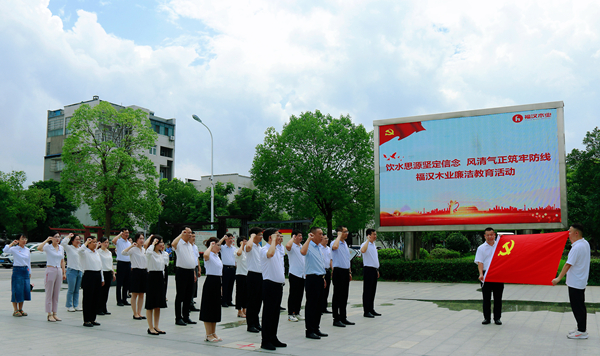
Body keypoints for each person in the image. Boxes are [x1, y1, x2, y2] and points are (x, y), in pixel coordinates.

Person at [552, 224, 591, 339]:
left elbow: (568, 264)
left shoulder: (577, 247)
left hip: (575, 282)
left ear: (576, 233)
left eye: (570, 231)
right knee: (580, 306)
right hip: (580, 280)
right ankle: (581, 327)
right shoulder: (585, 243)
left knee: (577, 307)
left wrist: (558, 278)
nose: (568, 234)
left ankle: (581, 331)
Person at [260, 228, 287, 350]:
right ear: (270, 237)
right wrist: (273, 241)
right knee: (268, 314)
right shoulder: (264, 249)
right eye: (277, 235)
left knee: (275, 313)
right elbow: (270, 255)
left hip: (278, 285)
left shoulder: (277, 249)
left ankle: (273, 337)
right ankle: (265, 340)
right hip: (269, 284)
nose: (279, 237)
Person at [301, 227, 328, 339]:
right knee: (311, 305)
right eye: (320, 234)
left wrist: (323, 278)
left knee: (319, 305)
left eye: (322, 234)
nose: (322, 236)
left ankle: (316, 328)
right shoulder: (309, 245)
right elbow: (302, 252)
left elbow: (319, 263)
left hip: (320, 278)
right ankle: (310, 330)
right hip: (312, 278)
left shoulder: (318, 247)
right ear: (313, 235)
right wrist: (308, 239)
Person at [475, 227, 502, 325]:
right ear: (484, 236)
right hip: (486, 275)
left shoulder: (500, 246)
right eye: (488, 235)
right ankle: (487, 318)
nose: (490, 237)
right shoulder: (481, 248)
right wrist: (481, 274)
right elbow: (480, 262)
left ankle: (497, 318)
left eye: (491, 234)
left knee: (498, 298)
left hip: (498, 275)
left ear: (494, 235)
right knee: (486, 298)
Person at [172, 227, 198, 326]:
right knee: (180, 295)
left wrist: (194, 273)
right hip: (182, 272)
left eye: (191, 233)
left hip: (190, 272)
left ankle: (186, 316)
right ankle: (178, 318)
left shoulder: (190, 245)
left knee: (188, 295)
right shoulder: (179, 243)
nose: (190, 235)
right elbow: (173, 244)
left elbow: (192, 260)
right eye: (188, 233)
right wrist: (180, 235)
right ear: (183, 233)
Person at [38, 233, 66, 322]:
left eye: (59, 237)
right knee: (49, 293)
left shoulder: (61, 248)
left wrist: (64, 272)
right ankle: (49, 314)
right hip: (50, 269)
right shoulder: (48, 247)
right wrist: (47, 240)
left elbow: (62, 261)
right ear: (52, 238)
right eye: (56, 237)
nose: (57, 239)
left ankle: (55, 313)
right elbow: (39, 248)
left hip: (58, 270)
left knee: (56, 293)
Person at [200, 237, 224, 342]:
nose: (219, 247)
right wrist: (210, 245)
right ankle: (208, 334)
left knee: (215, 308)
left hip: (218, 281)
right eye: (217, 245)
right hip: (210, 281)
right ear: (212, 245)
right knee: (208, 307)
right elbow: (205, 255)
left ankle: (213, 332)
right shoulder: (208, 255)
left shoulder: (217, 256)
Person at [331, 226, 354, 327]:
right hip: (338, 271)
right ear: (339, 233)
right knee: (337, 296)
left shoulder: (345, 244)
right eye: (345, 232)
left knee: (344, 295)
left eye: (347, 231)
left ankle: (343, 317)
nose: (347, 233)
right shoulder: (334, 242)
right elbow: (334, 247)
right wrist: (338, 236)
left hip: (345, 271)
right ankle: (336, 319)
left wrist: (349, 272)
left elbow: (347, 258)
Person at [122, 232, 149, 320]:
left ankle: (139, 312)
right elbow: (123, 253)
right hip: (136, 272)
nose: (142, 240)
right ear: (136, 239)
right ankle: (135, 313)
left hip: (144, 272)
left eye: (142, 238)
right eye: (140, 238)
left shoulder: (144, 250)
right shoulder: (133, 249)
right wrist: (131, 246)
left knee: (142, 294)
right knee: (135, 293)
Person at [145, 235, 168, 335]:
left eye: (162, 242)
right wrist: (153, 243)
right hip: (152, 277)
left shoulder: (162, 254)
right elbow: (148, 252)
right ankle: (150, 327)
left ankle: (156, 326)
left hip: (160, 277)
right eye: (159, 242)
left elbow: (165, 265)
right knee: (150, 304)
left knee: (158, 304)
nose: (161, 244)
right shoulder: (150, 253)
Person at [78, 237, 104, 327]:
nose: (95, 244)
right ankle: (86, 320)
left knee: (95, 298)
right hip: (89, 275)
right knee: (88, 298)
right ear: (88, 243)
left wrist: (102, 278)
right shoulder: (85, 252)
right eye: (93, 242)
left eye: (95, 242)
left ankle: (93, 318)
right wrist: (86, 243)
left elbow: (100, 266)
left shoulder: (96, 252)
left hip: (97, 275)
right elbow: (80, 250)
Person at [4, 234, 31, 317]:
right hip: (17, 270)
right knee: (16, 289)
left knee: (24, 290)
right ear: (18, 240)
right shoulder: (14, 249)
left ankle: (20, 309)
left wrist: (29, 272)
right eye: (22, 238)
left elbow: (28, 261)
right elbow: (5, 250)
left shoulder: (27, 249)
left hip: (25, 270)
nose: (24, 240)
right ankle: (15, 310)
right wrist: (12, 243)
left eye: (25, 238)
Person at [245, 226, 264, 333]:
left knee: (258, 301)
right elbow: (248, 247)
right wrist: (251, 237)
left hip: (261, 276)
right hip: (252, 276)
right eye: (259, 235)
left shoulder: (260, 248)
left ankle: (256, 322)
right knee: (252, 301)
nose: (261, 237)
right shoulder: (249, 246)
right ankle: (250, 324)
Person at [285, 230, 305, 322]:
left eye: (301, 236)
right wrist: (292, 238)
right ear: (295, 236)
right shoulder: (292, 246)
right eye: (299, 235)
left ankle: (297, 312)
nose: (301, 237)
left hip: (302, 274)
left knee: (300, 294)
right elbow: (287, 246)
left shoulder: (301, 246)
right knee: (293, 294)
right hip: (294, 273)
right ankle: (291, 314)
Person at [361, 228, 381, 318]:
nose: (375, 236)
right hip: (368, 269)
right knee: (367, 291)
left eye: (375, 234)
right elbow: (363, 250)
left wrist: (377, 270)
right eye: (374, 234)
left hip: (374, 270)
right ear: (369, 235)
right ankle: (366, 311)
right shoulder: (365, 244)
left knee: (373, 291)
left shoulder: (373, 245)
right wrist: (368, 240)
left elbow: (374, 259)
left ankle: (371, 309)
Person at [61, 233, 83, 312]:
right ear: (72, 240)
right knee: (71, 289)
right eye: (76, 239)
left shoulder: (80, 249)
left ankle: (76, 305)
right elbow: (63, 243)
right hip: (71, 270)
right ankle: (69, 305)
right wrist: (68, 236)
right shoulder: (69, 248)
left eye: (79, 239)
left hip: (79, 270)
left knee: (77, 290)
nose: (78, 241)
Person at [112, 229, 131, 306]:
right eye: (125, 232)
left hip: (128, 263)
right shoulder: (119, 241)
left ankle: (124, 299)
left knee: (126, 283)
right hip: (121, 263)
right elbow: (113, 240)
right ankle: (119, 300)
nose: (127, 234)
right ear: (122, 233)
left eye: (128, 232)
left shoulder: (129, 242)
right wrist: (120, 234)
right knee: (119, 283)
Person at [97, 237, 116, 316]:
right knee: (101, 292)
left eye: (107, 242)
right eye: (104, 242)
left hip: (108, 272)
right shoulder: (98, 252)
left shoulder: (109, 252)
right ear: (100, 243)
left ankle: (104, 308)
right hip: (102, 272)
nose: (106, 244)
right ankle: (99, 308)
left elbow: (111, 263)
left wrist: (113, 273)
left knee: (106, 292)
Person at [220, 233, 236, 308]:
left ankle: (229, 300)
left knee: (231, 285)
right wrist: (223, 238)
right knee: (225, 285)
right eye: (229, 238)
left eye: (231, 238)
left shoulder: (234, 248)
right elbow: (217, 244)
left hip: (233, 268)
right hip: (225, 268)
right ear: (226, 239)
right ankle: (224, 301)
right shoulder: (223, 247)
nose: (230, 240)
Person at [235, 236, 248, 318]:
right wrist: (241, 246)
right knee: (240, 293)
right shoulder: (237, 250)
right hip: (240, 274)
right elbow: (239, 253)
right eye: (244, 241)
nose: (246, 242)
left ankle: (244, 309)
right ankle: (239, 311)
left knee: (246, 294)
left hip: (247, 275)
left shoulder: (248, 252)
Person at [320, 236, 333, 314]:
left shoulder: (328, 249)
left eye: (327, 238)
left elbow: (330, 260)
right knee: (321, 290)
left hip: (327, 270)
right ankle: (320, 307)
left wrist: (332, 269)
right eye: (325, 238)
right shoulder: (319, 248)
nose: (327, 240)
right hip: (322, 270)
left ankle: (324, 307)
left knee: (327, 290)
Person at [189, 232, 200, 312]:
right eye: (192, 236)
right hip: (190, 267)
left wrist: (199, 267)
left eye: (194, 236)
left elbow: (197, 258)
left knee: (194, 286)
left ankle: (191, 301)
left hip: (195, 266)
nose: (194, 238)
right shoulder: (188, 247)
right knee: (190, 286)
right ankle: (190, 303)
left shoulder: (195, 247)